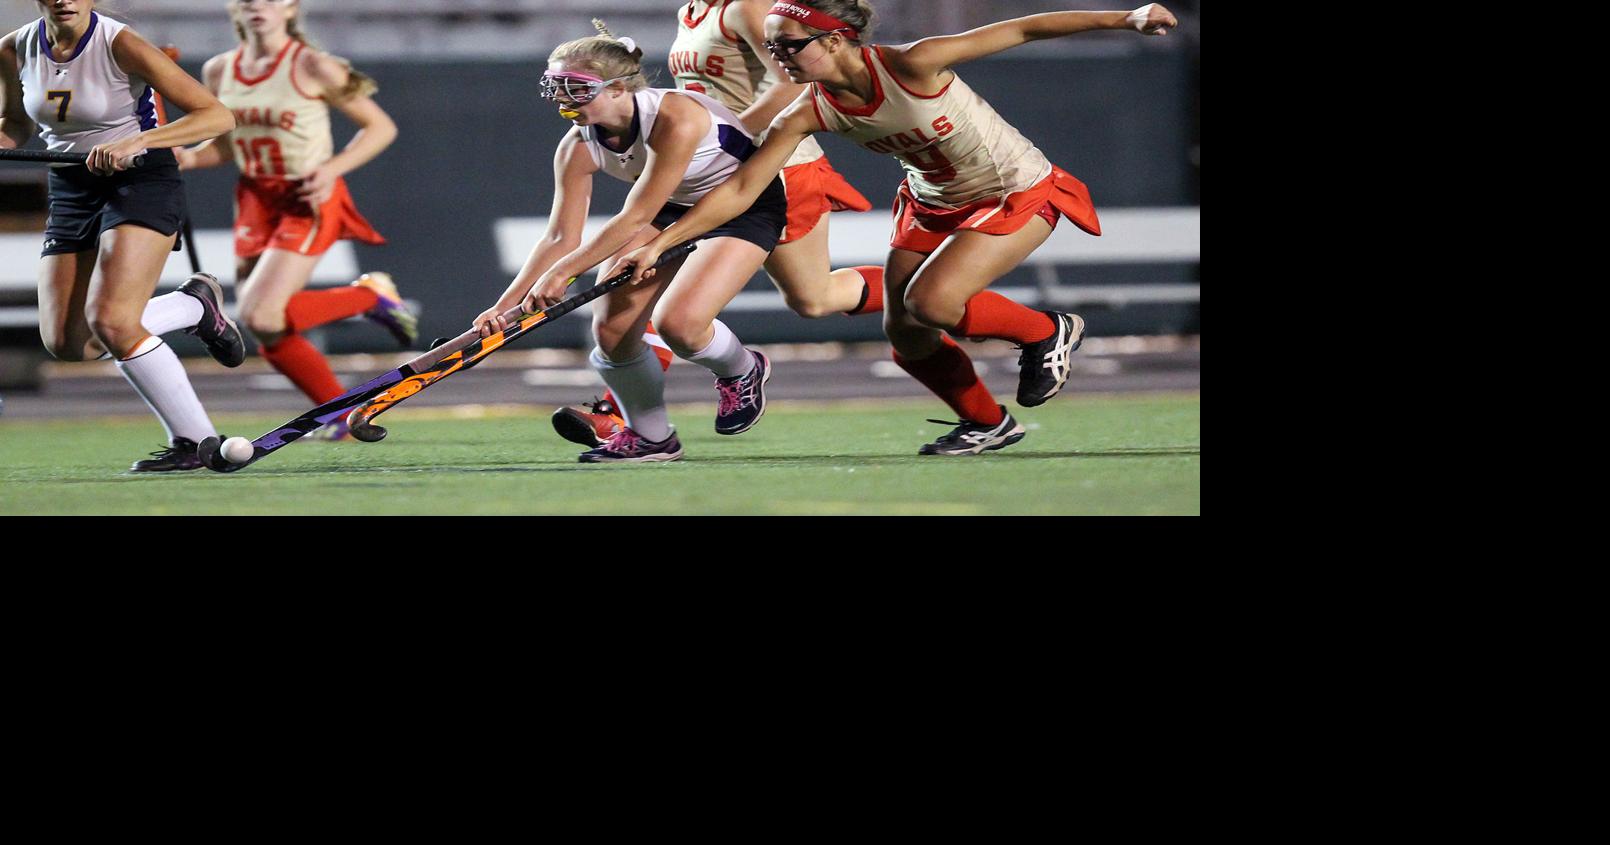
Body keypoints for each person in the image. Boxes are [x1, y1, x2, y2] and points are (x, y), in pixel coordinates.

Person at [620, 1, 1176, 455]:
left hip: (1012, 188)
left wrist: (1126, 18)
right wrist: (663, 243)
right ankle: (986, 423)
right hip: (930, 201)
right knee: (906, 334)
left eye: (790, 45)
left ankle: (1044, 331)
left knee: (931, 303)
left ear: (835, 40)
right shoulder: (807, 111)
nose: (778, 57)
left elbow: (1026, 26)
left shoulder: (913, 63)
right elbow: (742, 191)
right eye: (771, 47)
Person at [550, 0, 884, 448]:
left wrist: (726, 135)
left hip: (768, 168)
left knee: (813, 297)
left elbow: (793, 81)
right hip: (698, 174)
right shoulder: (691, 13)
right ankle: (632, 419)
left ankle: (916, 289)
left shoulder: (747, 7)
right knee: (635, 314)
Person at [475, 21, 787, 463]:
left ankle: (743, 369)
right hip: (669, 209)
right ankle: (652, 438)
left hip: (739, 208)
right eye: (557, 87)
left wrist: (563, 273)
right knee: (612, 331)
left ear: (620, 88)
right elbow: (561, 235)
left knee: (681, 325)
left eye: (578, 88)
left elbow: (635, 215)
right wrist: (506, 305)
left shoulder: (674, 118)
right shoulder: (577, 146)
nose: (564, 99)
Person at [1, 0, 244, 471]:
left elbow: (217, 117)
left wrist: (139, 141)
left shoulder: (121, 43)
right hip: (71, 185)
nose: (64, 0)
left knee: (113, 321)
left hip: (140, 178)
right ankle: (194, 305)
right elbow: (17, 124)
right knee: (71, 343)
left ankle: (196, 443)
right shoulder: (15, 48)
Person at [177, 0, 410, 440]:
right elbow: (229, 146)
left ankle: (369, 296)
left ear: (290, 8)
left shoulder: (314, 66)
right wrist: (188, 157)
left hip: (307, 196)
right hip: (254, 199)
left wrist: (331, 169)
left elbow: (380, 127)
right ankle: (342, 413)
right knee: (263, 326)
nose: (257, 6)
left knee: (261, 314)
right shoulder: (219, 70)